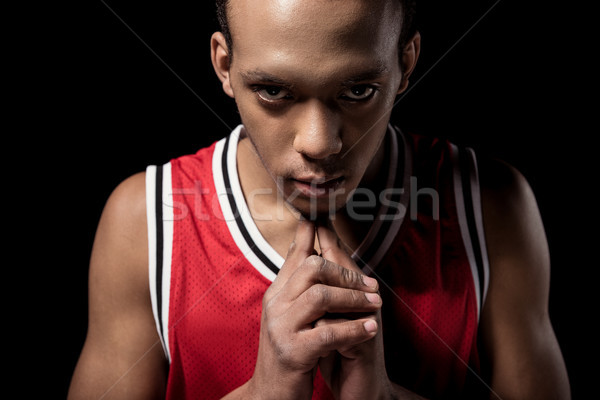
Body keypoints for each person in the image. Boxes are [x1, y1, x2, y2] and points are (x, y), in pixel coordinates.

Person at [68, 0, 571, 399]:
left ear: (406, 62)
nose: (319, 142)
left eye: (357, 91)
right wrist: (264, 395)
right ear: (224, 64)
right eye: (273, 91)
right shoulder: (147, 221)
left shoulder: (490, 208)